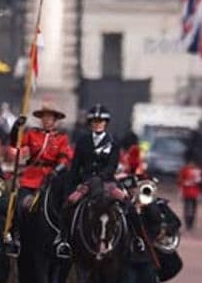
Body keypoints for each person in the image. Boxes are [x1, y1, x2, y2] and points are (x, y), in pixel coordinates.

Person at [56, 103, 121, 260]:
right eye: (94, 121)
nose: (97, 123)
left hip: (106, 183)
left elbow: (112, 166)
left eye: (100, 121)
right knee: (68, 205)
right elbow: (76, 166)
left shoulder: (113, 141)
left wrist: (98, 178)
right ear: (91, 123)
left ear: (106, 123)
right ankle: (64, 240)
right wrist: (70, 188)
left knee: (128, 206)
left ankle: (134, 241)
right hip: (85, 183)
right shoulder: (82, 141)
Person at [6, 101, 72, 254]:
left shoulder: (62, 138)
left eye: (50, 118)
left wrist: (57, 171)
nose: (46, 120)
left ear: (55, 120)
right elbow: (16, 143)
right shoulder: (32, 133)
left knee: (64, 206)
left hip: (52, 178)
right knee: (19, 203)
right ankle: (15, 237)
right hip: (32, 177)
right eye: (44, 117)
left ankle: (63, 238)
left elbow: (65, 158)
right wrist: (17, 126)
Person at [178, 152, 202, 230]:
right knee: (187, 208)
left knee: (193, 209)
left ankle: (191, 223)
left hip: (195, 193)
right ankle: (187, 222)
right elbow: (180, 180)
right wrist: (185, 184)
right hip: (187, 192)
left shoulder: (198, 170)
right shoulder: (184, 170)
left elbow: (201, 183)